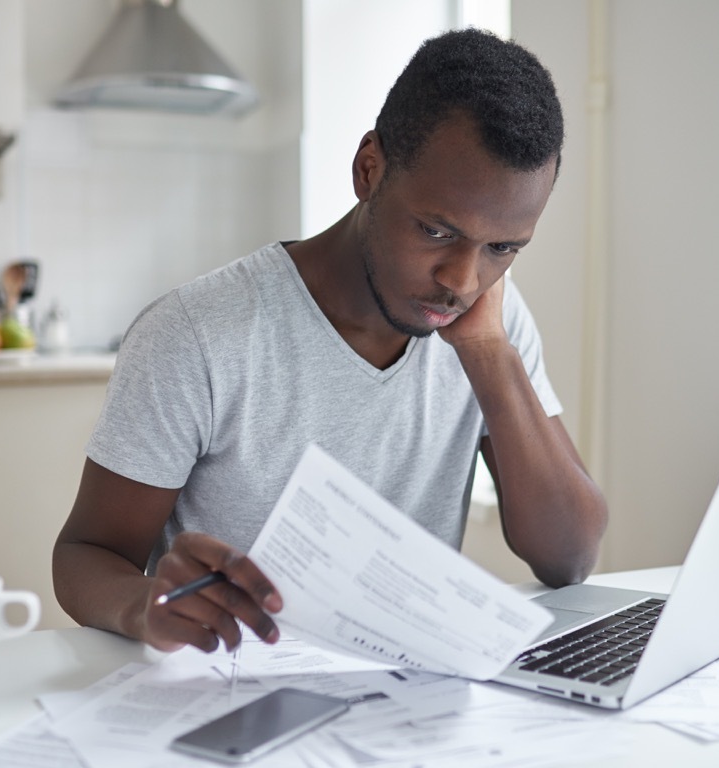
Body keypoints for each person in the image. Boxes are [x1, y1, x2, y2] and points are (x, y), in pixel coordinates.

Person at [52, 28, 608, 658]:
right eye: (435, 230)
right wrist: (142, 605)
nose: (462, 280)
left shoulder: (488, 324)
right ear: (369, 168)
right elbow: (87, 554)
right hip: (231, 696)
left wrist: (490, 359)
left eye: (503, 248)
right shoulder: (195, 335)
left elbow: (569, 559)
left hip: (409, 696)